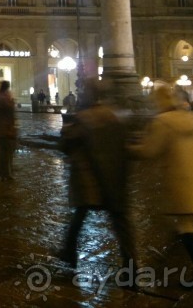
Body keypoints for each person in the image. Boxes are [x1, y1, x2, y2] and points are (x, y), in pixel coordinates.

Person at [127, 84, 193, 287]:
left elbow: (149, 151)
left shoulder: (163, 122)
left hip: (179, 180)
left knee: (186, 227)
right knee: (189, 225)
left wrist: (128, 147)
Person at [56, 77, 136, 271]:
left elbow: (66, 145)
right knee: (121, 224)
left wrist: (66, 131)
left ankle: (69, 253)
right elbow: (125, 147)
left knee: (79, 217)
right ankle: (131, 267)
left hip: (89, 177)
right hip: (113, 177)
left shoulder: (85, 118)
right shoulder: (115, 116)